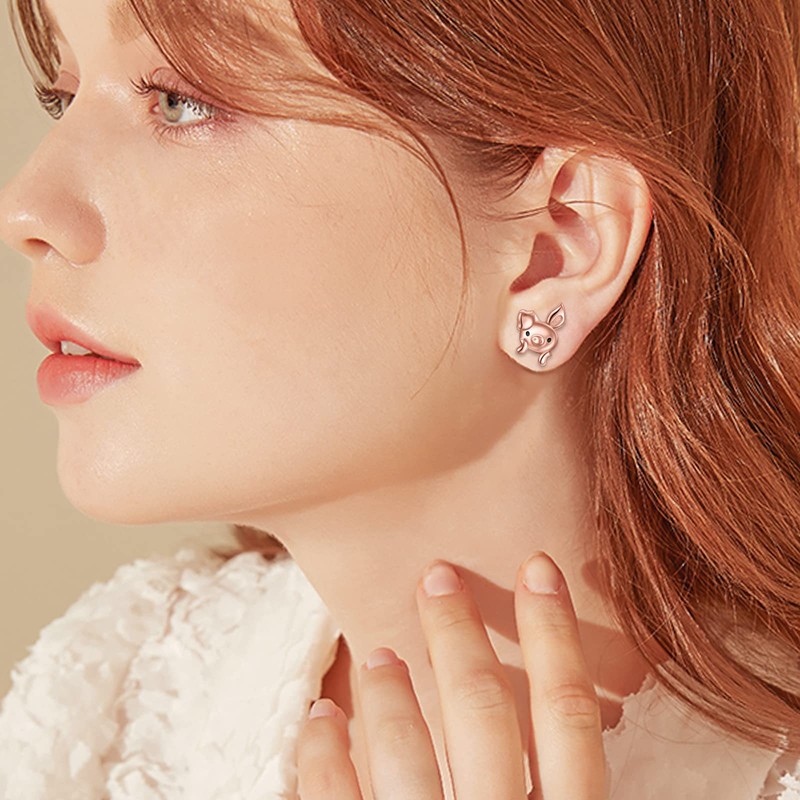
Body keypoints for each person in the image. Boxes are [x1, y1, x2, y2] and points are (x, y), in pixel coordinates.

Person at [0, 0, 798, 797]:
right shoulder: (105, 707)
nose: (26, 209)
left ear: (556, 242)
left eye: (182, 100)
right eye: (63, 96)